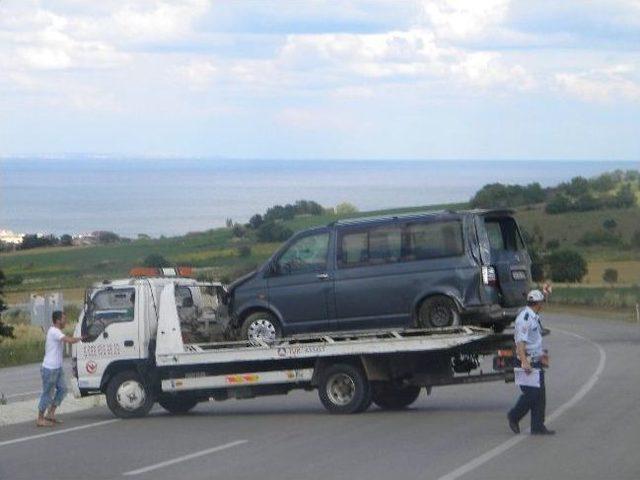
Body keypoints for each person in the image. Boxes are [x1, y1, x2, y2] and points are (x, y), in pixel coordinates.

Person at [507, 289, 555, 435]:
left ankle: (537, 426)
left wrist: (542, 356)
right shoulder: (525, 318)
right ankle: (514, 416)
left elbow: (535, 339)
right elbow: (520, 342)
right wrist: (524, 362)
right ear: (539, 303)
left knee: (540, 395)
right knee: (531, 394)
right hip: (526, 361)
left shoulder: (534, 316)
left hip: (535, 359)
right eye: (542, 302)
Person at [36, 311, 83, 427]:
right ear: (57, 320)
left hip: (57, 368)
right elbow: (69, 340)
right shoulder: (54, 331)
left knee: (63, 389)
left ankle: (50, 413)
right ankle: (40, 418)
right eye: (63, 319)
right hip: (50, 368)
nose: (65, 321)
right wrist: (82, 338)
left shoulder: (55, 331)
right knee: (47, 393)